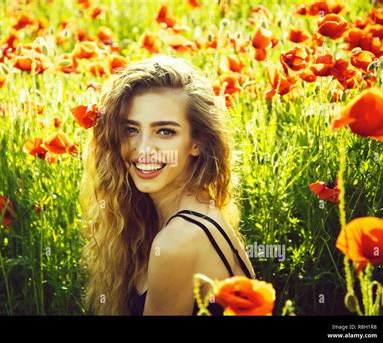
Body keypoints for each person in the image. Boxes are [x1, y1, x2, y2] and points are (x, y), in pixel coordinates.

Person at [80, 55, 255, 315]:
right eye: (131, 130)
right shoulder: (175, 217)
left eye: (165, 132)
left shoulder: (179, 241)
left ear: (197, 142)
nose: (143, 150)